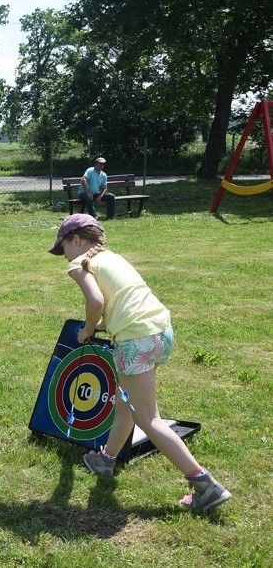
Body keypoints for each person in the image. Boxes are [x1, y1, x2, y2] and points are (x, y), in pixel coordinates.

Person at [48, 214, 231, 512]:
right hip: (160, 330)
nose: (63, 255)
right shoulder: (112, 258)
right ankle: (106, 459)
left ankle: (204, 485)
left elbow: (95, 302)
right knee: (127, 401)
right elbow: (122, 301)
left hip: (135, 340)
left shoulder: (80, 263)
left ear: (77, 241)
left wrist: (88, 329)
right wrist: (107, 323)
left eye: (63, 248)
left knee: (149, 418)